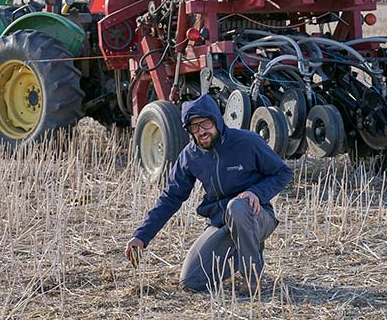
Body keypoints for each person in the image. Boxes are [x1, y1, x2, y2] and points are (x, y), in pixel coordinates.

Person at [125, 94, 293, 295]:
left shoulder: (247, 142)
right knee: (191, 282)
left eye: (205, 123)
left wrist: (256, 192)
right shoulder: (190, 156)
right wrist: (141, 236)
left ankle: (252, 277)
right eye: (194, 127)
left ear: (216, 120)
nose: (201, 131)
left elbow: (283, 172)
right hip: (220, 223)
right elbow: (171, 197)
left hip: (256, 216)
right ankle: (241, 252)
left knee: (237, 206)